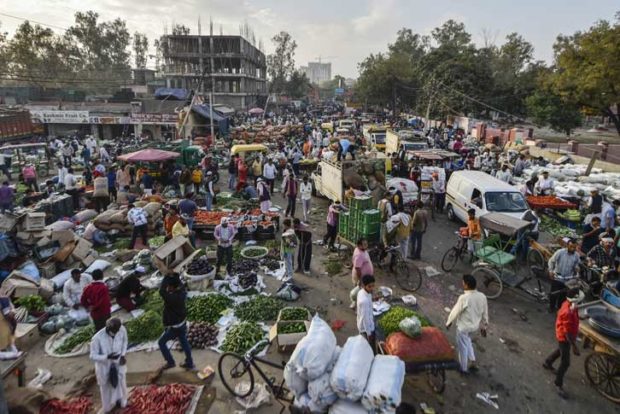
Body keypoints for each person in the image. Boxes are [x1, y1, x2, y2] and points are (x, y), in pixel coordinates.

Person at [543, 288, 583, 399]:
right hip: (564, 337)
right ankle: (558, 383)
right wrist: (574, 346)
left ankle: (548, 362)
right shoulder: (568, 312)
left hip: (565, 336)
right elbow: (567, 333)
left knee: (561, 350)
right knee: (565, 362)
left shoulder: (569, 304)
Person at [446, 274, 489, 375]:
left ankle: (463, 368)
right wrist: (485, 326)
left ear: (466, 285)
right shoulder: (482, 296)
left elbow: (455, 311)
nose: (462, 283)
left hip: (463, 328)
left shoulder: (464, 298)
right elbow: (485, 312)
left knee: (462, 348)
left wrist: (449, 322)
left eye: (463, 282)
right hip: (474, 327)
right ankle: (472, 361)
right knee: (468, 342)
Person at [90, 318, 128, 413]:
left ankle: (122, 401)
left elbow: (125, 342)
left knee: (121, 382)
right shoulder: (97, 338)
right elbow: (92, 356)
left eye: (117, 330)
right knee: (105, 387)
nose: (116, 332)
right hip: (104, 366)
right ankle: (107, 408)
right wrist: (107, 356)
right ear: (107, 328)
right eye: (113, 331)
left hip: (118, 361)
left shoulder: (122, 329)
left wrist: (123, 355)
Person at [158, 274, 194, 370]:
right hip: (182, 323)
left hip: (175, 327)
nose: (167, 288)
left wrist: (166, 276)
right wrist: (174, 275)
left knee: (161, 343)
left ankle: (170, 362)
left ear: (171, 287)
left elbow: (161, 291)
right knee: (184, 342)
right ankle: (189, 362)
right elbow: (179, 283)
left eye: (169, 287)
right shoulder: (182, 292)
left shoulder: (171, 298)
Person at [547, 239, 581, 312]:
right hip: (557, 277)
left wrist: (577, 268)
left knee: (563, 296)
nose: (573, 249)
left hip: (568, 280)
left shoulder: (576, 255)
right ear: (567, 246)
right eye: (571, 247)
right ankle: (551, 307)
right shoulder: (560, 252)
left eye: (574, 247)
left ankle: (560, 308)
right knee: (554, 294)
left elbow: (577, 265)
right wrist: (550, 271)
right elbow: (551, 261)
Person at [356, 274, 376, 351]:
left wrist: (373, 299)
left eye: (373, 285)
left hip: (364, 322)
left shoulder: (361, 292)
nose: (372, 288)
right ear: (364, 286)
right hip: (366, 329)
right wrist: (369, 334)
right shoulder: (364, 301)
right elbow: (365, 319)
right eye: (369, 286)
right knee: (369, 348)